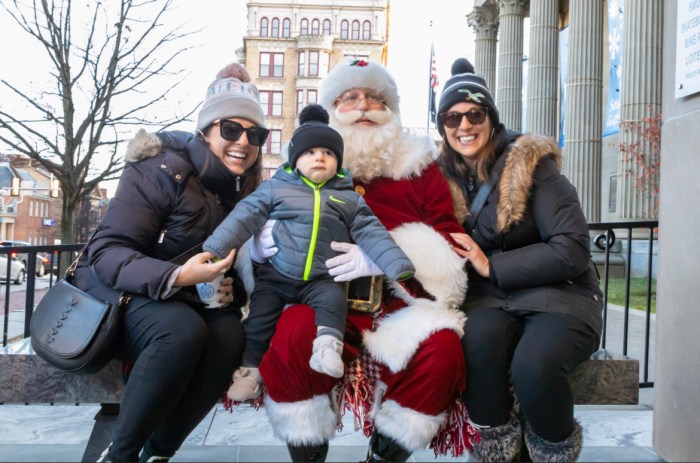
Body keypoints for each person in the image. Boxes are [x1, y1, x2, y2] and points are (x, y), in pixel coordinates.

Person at [250, 59, 475, 462]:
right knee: (291, 333)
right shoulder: (305, 164)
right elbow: (264, 212)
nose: (364, 106)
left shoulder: (419, 168)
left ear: (391, 110)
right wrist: (262, 240)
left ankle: (384, 456)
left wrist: (389, 256)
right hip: (320, 298)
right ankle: (307, 452)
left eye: (375, 98)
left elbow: (446, 241)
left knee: (442, 351)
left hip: (397, 304)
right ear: (333, 109)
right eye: (350, 98)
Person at [73, 63, 268, 463]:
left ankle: (158, 452)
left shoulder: (245, 187)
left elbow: (230, 265)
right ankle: (119, 456)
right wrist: (179, 275)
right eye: (231, 129)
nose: (243, 142)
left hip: (182, 298)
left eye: (255, 134)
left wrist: (232, 288)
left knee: (231, 336)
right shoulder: (162, 168)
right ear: (207, 130)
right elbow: (108, 251)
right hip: (118, 294)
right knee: (180, 331)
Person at [436, 58, 604, 462]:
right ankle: (495, 448)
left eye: (475, 113)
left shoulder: (531, 165)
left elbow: (572, 248)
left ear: (491, 118)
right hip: (490, 300)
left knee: (535, 368)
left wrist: (492, 265)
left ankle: (552, 450)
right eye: (452, 117)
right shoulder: (438, 177)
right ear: (441, 126)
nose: (464, 125)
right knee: (475, 348)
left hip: (557, 297)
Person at [201, 104, 415, 401]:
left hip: (321, 278)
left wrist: (393, 262)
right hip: (276, 274)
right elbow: (244, 216)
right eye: (310, 152)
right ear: (295, 160)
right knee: (259, 317)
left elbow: (372, 232)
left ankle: (327, 349)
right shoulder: (275, 189)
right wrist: (217, 246)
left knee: (333, 302)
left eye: (328, 154)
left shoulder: (348, 199)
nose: (320, 157)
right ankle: (251, 371)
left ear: (338, 163)